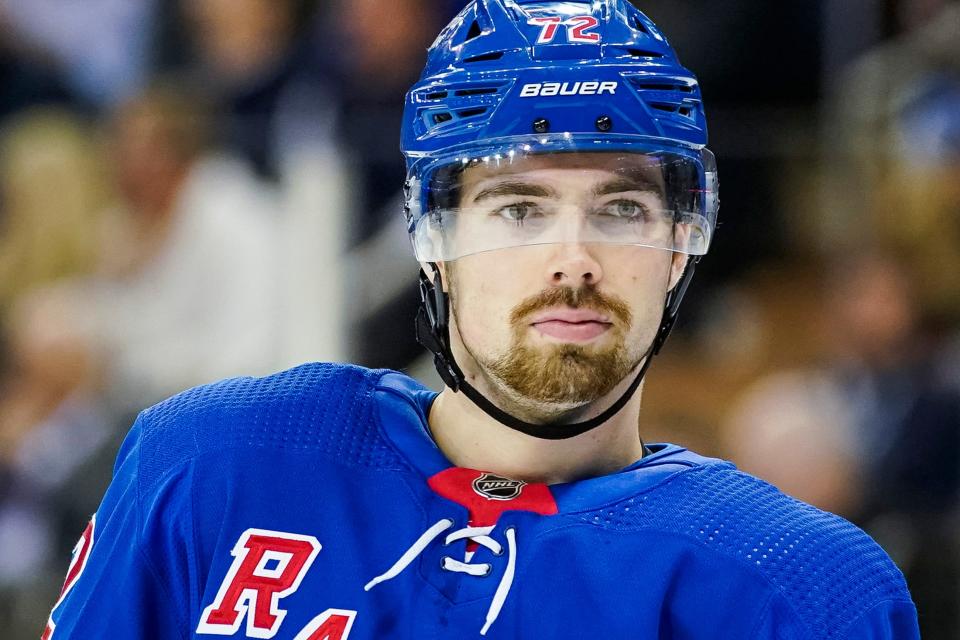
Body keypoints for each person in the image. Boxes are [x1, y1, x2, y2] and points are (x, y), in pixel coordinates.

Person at [42, 1, 920, 638]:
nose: (574, 257)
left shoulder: (797, 590)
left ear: (683, 244)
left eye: (621, 210)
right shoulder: (210, 464)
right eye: (518, 209)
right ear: (431, 240)